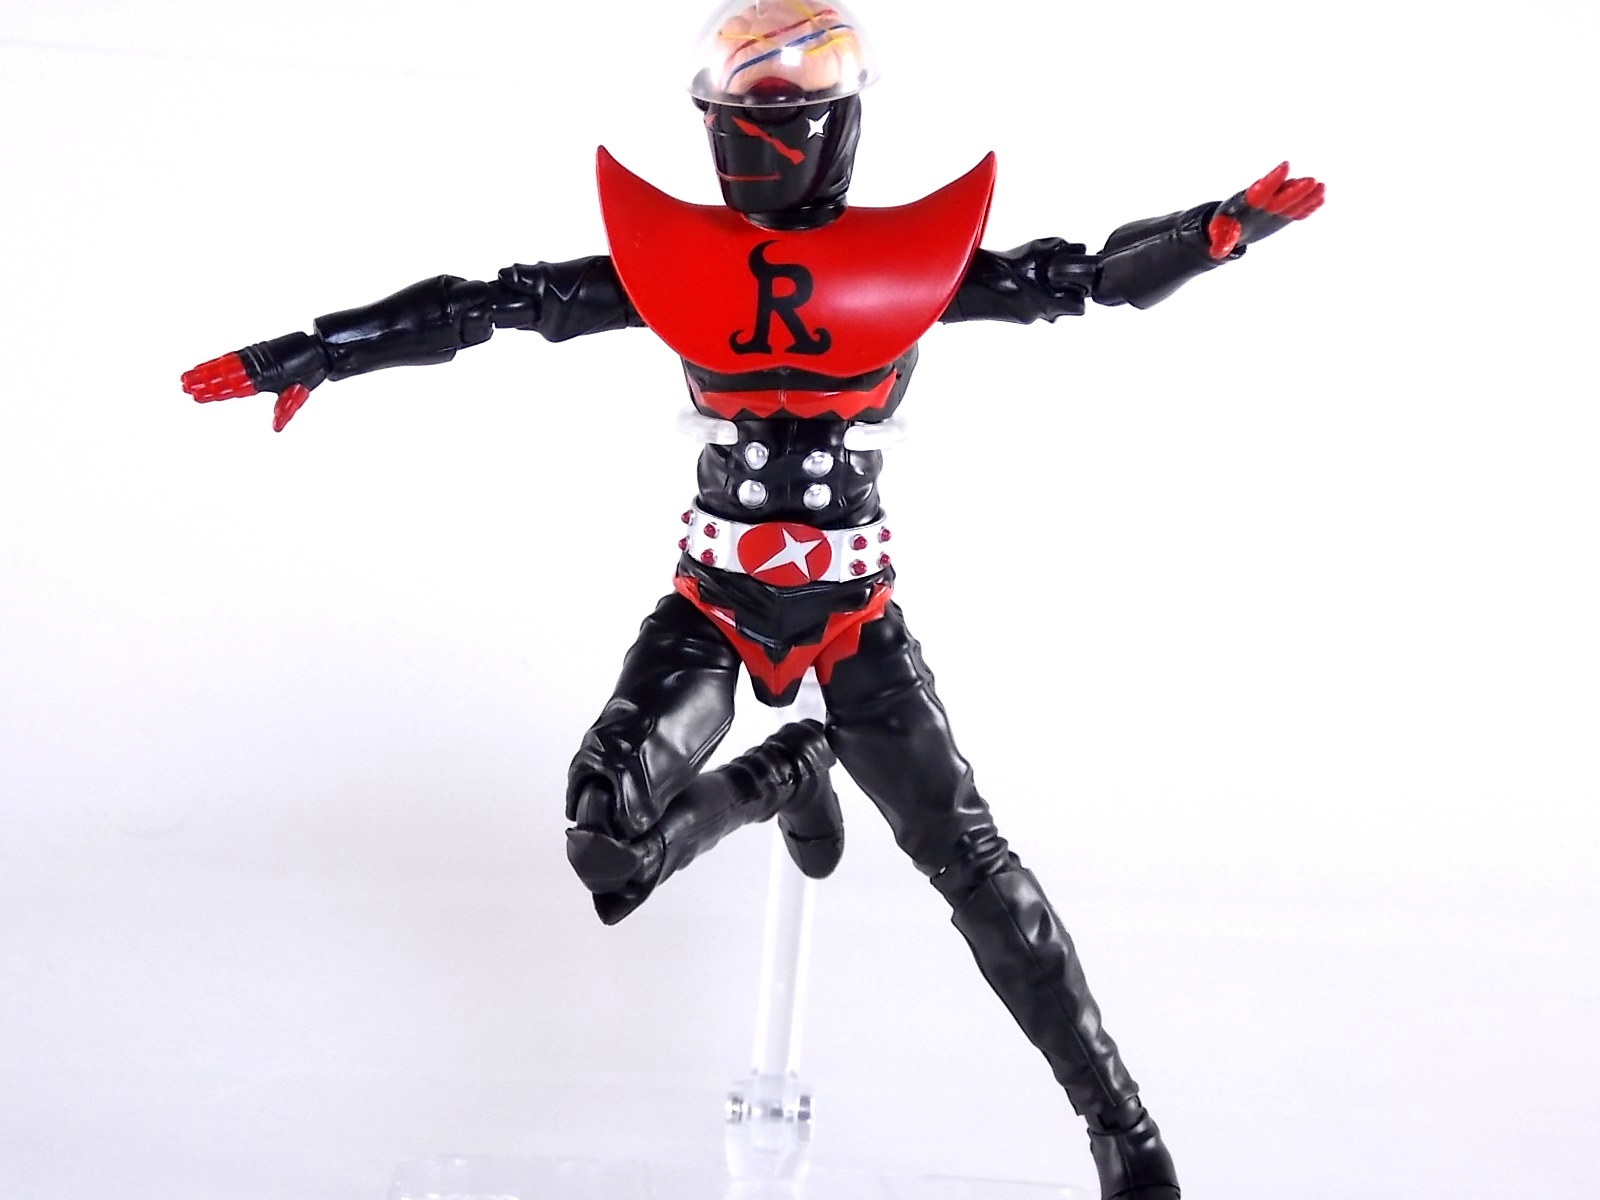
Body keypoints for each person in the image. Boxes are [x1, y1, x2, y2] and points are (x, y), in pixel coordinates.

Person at [181, 4, 1324, 1195]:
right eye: (740, 116)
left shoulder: (911, 269)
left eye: (783, 114)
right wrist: (321, 349)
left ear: (836, 123)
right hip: (715, 598)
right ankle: (785, 774)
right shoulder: (677, 263)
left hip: (849, 610)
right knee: (607, 844)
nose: (759, 140)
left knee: (974, 865)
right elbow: (496, 302)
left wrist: (1211, 233)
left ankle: (1121, 1129)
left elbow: (1073, 279)